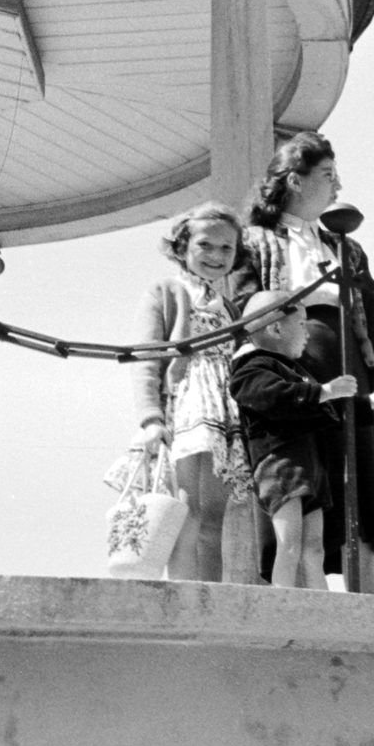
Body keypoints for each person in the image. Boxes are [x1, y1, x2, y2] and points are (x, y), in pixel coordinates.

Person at [242, 131, 374, 588]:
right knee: (303, 494)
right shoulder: (254, 242)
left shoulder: (347, 249)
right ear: (295, 180)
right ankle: (300, 601)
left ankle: (368, 603)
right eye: (328, 175)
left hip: (352, 380)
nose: (338, 187)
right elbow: (244, 316)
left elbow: (372, 325)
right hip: (296, 381)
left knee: (360, 492)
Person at [132, 202, 255, 582]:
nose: (216, 256)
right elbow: (147, 358)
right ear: (183, 246)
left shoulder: (230, 308)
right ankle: (184, 592)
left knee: (216, 512)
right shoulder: (167, 291)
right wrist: (151, 418)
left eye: (226, 249)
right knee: (185, 508)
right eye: (205, 245)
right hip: (186, 408)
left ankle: (210, 594)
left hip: (223, 412)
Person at [228, 291, 359, 589]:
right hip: (282, 465)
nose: (307, 334)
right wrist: (323, 392)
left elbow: (320, 408)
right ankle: (283, 606)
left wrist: (369, 401)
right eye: (301, 325)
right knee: (289, 543)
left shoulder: (294, 371)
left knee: (314, 548)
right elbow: (272, 396)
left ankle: (321, 610)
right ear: (275, 328)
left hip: (309, 469)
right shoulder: (253, 366)